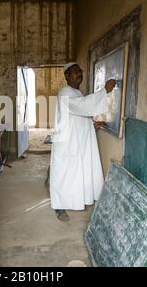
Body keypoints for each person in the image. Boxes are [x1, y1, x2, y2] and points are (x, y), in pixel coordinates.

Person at [50, 62, 116, 222]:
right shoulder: (65, 93)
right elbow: (83, 107)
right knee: (64, 175)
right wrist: (104, 91)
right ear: (66, 76)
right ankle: (59, 206)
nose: (79, 74)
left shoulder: (77, 93)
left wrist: (91, 126)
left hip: (77, 141)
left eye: (80, 71)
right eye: (75, 72)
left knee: (77, 174)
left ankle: (77, 200)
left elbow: (79, 116)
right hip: (67, 143)